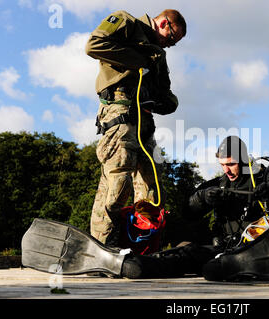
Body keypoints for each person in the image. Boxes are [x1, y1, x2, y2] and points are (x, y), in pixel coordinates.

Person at [120, 135, 269, 278]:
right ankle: (139, 264)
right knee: (187, 252)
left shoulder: (266, 178)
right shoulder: (217, 184)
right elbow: (187, 213)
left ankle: (229, 267)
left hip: (260, 250)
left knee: (213, 269)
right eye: (222, 165)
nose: (226, 170)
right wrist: (202, 198)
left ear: (244, 160)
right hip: (223, 249)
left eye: (231, 164)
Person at [85, 9, 187, 247]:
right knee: (117, 184)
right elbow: (94, 45)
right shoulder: (127, 23)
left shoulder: (159, 54)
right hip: (120, 111)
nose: (170, 45)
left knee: (152, 188)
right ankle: (105, 245)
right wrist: (137, 61)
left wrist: (165, 101)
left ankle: (143, 245)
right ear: (163, 23)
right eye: (171, 38)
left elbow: (166, 92)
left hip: (145, 121)